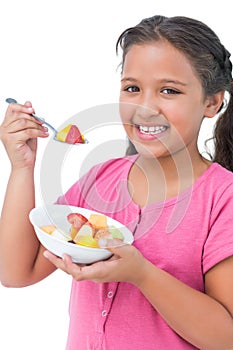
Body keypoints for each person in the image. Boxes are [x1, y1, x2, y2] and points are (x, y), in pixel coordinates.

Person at [0, 14, 233, 350]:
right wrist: (22, 167)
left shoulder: (222, 198)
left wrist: (143, 275)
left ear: (211, 102)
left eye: (169, 90)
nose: (146, 107)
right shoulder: (99, 180)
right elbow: (16, 272)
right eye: (132, 88)